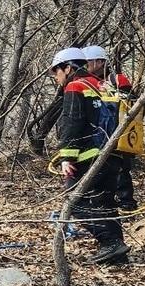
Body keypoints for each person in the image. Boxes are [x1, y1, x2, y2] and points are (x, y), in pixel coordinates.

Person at [50, 49, 131, 266]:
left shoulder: (75, 86)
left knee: (75, 203)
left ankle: (110, 242)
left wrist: (66, 156)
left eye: (56, 72)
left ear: (67, 68)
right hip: (113, 155)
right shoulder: (103, 85)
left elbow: (72, 121)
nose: (56, 77)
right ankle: (117, 254)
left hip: (88, 157)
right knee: (105, 203)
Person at [82, 45, 137, 213]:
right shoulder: (86, 83)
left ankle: (126, 203)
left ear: (99, 62)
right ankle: (101, 202)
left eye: (87, 63)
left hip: (118, 132)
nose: (85, 67)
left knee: (120, 170)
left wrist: (111, 93)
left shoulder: (117, 79)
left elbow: (131, 104)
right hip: (96, 134)